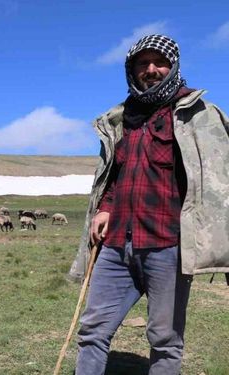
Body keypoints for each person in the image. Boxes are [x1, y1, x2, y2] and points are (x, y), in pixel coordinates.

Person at [70, 34, 229, 374]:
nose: (152, 69)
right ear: (132, 70)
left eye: (160, 62)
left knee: (165, 341)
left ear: (173, 67)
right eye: (143, 63)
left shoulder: (198, 115)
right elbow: (114, 174)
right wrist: (106, 206)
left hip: (167, 246)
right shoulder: (122, 117)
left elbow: (218, 179)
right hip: (115, 246)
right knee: (91, 331)